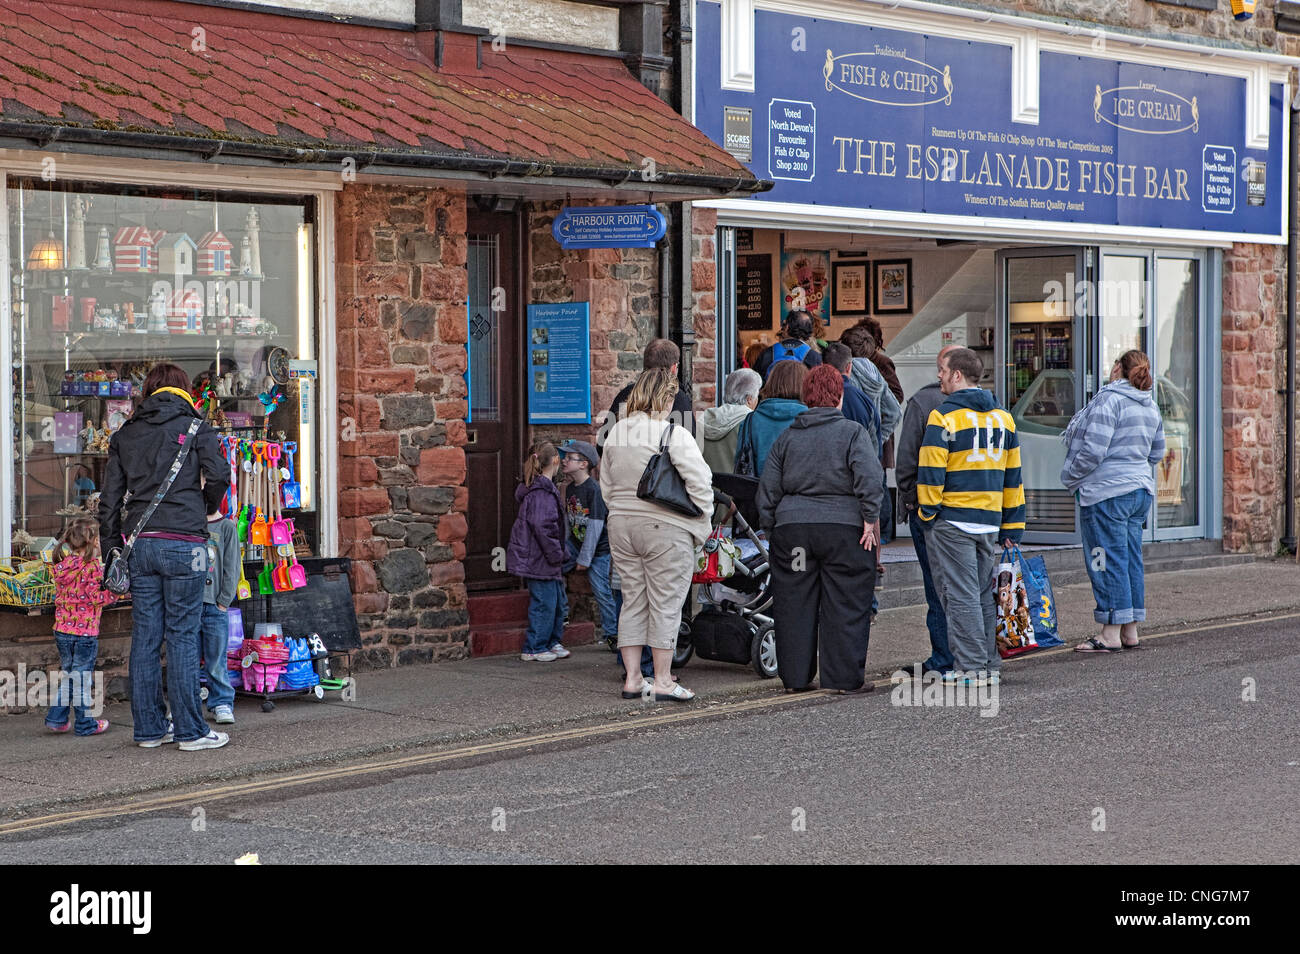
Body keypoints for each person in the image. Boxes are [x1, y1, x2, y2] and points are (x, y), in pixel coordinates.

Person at [100, 362, 231, 751]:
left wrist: (112, 548)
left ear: (150, 393)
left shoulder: (126, 435)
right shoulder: (197, 428)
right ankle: (191, 731)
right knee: (183, 636)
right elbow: (220, 474)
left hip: (140, 544)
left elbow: (109, 501)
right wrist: (202, 507)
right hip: (185, 543)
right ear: (184, 391)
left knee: (145, 636)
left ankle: (150, 730)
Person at [757, 365, 883, 693]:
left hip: (795, 535)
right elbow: (870, 478)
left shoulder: (787, 437)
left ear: (806, 398)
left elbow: (767, 490)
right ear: (839, 397)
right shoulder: (853, 433)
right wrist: (870, 519)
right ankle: (843, 679)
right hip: (845, 533)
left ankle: (796, 679)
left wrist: (773, 528)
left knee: (794, 603)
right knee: (846, 602)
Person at [600, 368, 713, 702]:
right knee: (665, 603)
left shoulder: (616, 432)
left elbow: (606, 485)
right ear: (664, 398)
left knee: (633, 600)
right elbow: (701, 483)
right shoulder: (672, 434)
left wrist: (622, 511)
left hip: (621, 526)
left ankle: (634, 679)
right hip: (665, 528)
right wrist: (702, 522)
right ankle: (662, 680)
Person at [915, 348, 1025, 687]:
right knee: (980, 594)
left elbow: (931, 471)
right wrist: (1013, 524)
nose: (939, 377)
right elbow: (1013, 476)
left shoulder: (942, 417)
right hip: (988, 520)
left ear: (957, 375)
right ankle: (988, 665)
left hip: (953, 519)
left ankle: (972, 670)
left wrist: (927, 513)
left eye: (942, 371)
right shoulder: (1003, 418)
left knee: (959, 595)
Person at [1061, 349, 1166, 652]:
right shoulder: (1150, 406)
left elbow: (1093, 450)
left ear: (1118, 368)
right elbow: (1157, 453)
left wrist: (1071, 476)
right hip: (1139, 492)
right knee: (1130, 557)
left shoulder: (1109, 401)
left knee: (1104, 560)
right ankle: (1130, 628)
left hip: (1106, 493)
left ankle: (1109, 632)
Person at [895, 344, 960, 676]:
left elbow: (906, 460)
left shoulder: (922, 402)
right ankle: (975, 655)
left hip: (931, 512)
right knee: (969, 586)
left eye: (942, 370)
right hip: (974, 513)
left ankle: (943, 658)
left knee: (937, 589)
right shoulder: (989, 406)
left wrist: (909, 503)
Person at [45, 516, 115, 737]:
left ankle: (57, 719)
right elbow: (96, 598)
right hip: (85, 633)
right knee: (82, 679)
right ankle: (85, 724)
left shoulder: (62, 564)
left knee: (70, 676)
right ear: (94, 541)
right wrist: (115, 593)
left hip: (62, 631)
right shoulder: (93, 567)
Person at [506, 442, 571, 662]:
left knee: (556, 602)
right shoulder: (541, 492)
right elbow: (543, 526)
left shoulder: (542, 489)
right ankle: (534, 646)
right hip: (540, 557)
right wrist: (556, 553)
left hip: (543, 557)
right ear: (555, 461)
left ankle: (551, 641)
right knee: (544, 603)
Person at [558, 439, 620, 649]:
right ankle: (562, 614)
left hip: (598, 550)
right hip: (575, 544)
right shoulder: (570, 488)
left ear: (583, 464)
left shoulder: (594, 490)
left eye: (569, 458)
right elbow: (569, 520)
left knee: (601, 590)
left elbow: (595, 527)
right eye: (563, 457)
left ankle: (614, 634)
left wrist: (585, 559)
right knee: (553, 570)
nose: (563, 461)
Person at [599, 338, 695, 454]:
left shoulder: (626, 394)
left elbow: (602, 445)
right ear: (674, 368)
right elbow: (690, 449)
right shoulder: (678, 397)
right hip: (662, 470)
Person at [200, 488, 240, 725]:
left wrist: (224, 601)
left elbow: (232, 566)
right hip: (191, 604)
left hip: (215, 604)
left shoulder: (227, 527)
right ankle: (189, 702)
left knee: (216, 659)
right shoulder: (190, 525)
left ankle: (221, 702)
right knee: (188, 658)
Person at [733, 360, 808, 478]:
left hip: (758, 491)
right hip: (798, 493)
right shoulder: (811, 419)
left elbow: (741, 461)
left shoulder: (751, 420)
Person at [696, 367, 761, 473]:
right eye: (757, 395)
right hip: (737, 487)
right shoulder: (752, 422)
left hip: (706, 487)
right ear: (749, 399)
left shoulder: (703, 418)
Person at [822, 342, 883, 453]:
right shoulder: (864, 401)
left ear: (822, 365)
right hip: (856, 466)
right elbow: (875, 447)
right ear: (849, 367)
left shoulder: (813, 396)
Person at [751, 310, 824, 380]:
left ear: (787, 327)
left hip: (771, 392)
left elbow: (755, 382)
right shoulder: (814, 357)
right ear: (810, 332)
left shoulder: (767, 353)